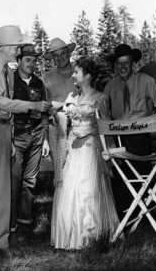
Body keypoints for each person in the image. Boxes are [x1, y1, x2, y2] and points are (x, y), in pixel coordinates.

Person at [0, 25, 51, 264]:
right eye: (16, 47)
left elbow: (7, 109)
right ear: (5, 47)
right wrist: (33, 106)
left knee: (2, 192)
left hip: (4, 131)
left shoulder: (6, 71)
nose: (18, 51)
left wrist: (12, 135)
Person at [51, 58, 119, 250]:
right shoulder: (71, 98)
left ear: (87, 75)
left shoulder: (100, 98)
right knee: (68, 188)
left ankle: (92, 236)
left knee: (88, 190)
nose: (73, 75)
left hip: (90, 149)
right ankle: (70, 236)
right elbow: (60, 120)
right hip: (73, 149)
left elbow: (107, 127)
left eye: (76, 72)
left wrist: (90, 130)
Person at [104, 43, 156, 219]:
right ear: (115, 65)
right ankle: (126, 216)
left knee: (141, 173)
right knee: (119, 178)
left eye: (126, 62)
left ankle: (144, 213)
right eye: (119, 63)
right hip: (118, 138)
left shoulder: (145, 81)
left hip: (140, 137)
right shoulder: (110, 86)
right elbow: (101, 109)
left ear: (133, 63)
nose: (123, 66)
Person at [10, 44, 50, 238]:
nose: (32, 64)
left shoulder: (39, 83)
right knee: (13, 182)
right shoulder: (10, 81)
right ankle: (10, 228)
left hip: (36, 135)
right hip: (16, 137)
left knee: (29, 182)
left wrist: (45, 140)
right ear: (18, 61)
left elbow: (44, 113)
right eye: (28, 60)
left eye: (34, 60)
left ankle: (25, 225)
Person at [42, 38, 78, 187]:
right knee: (60, 173)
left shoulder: (79, 70)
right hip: (56, 129)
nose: (59, 58)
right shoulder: (46, 78)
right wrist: (44, 139)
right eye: (55, 55)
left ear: (68, 53)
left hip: (79, 127)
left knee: (80, 170)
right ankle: (62, 208)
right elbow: (44, 109)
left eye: (62, 53)